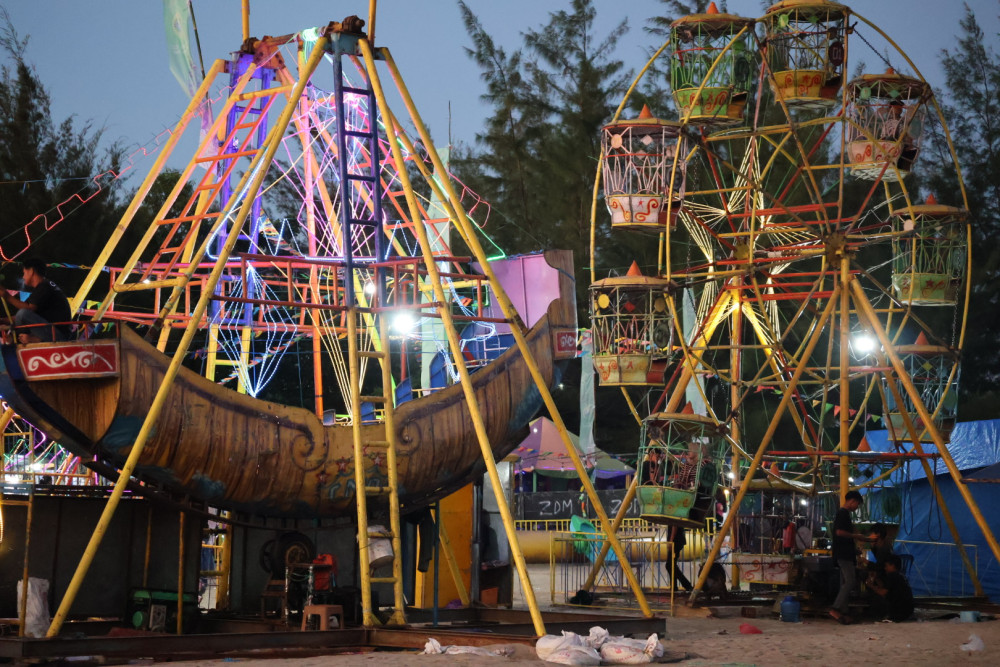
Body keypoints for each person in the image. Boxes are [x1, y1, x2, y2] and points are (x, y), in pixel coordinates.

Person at [1, 259, 72, 343]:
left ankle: (20, 340)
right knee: (22, 314)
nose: (23, 277)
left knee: (23, 313)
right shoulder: (43, 288)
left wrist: (7, 296)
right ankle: (20, 339)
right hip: (54, 332)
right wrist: (3, 320)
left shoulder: (45, 286)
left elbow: (27, 311)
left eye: (24, 273)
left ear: (31, 271)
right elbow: (25, 314)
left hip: (59, 336)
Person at [829, 490, 873, 625]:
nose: (857, 507)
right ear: (852, 501)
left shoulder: (844, 514)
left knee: (845, 583)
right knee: (850, 581)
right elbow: (839, 532)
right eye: (857, 504)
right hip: (843, 554)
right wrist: (857, 537)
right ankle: (835, 609)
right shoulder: (843, 513)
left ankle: (843, 612)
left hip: (844, 553)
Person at [868, 554, 914, 622]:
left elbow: (883, 592)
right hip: (907, 610)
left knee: (876, 598)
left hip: (900, 611)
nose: (885, 568)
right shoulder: (899, 576)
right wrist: (876, 578)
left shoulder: (892, 576)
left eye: (886, 566)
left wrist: (871, 586)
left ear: (892, 566)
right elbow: (885, 587)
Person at [667, 525, 693, 592]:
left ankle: (687, 585)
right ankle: (674, 587)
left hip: (676, 541)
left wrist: (671, 540)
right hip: (677, 540)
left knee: (669, 565)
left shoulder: (674, 515)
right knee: (671, 565)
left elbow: (674, 525)